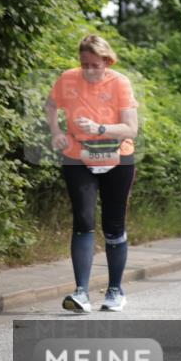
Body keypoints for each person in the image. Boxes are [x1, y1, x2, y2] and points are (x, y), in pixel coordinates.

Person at [46, 35, 138, 313]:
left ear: (107, 61)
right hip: (78, 156)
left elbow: (131, 128)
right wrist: (57, 132)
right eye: (85, 64)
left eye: (95, 65)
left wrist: (100, 128)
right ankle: (81, 293)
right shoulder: (68, 79)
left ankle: (114, 290)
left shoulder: (119, 83)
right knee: (83, 220)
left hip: (117, 157)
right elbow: (51, 107)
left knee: (113, 224)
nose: (89, 70)